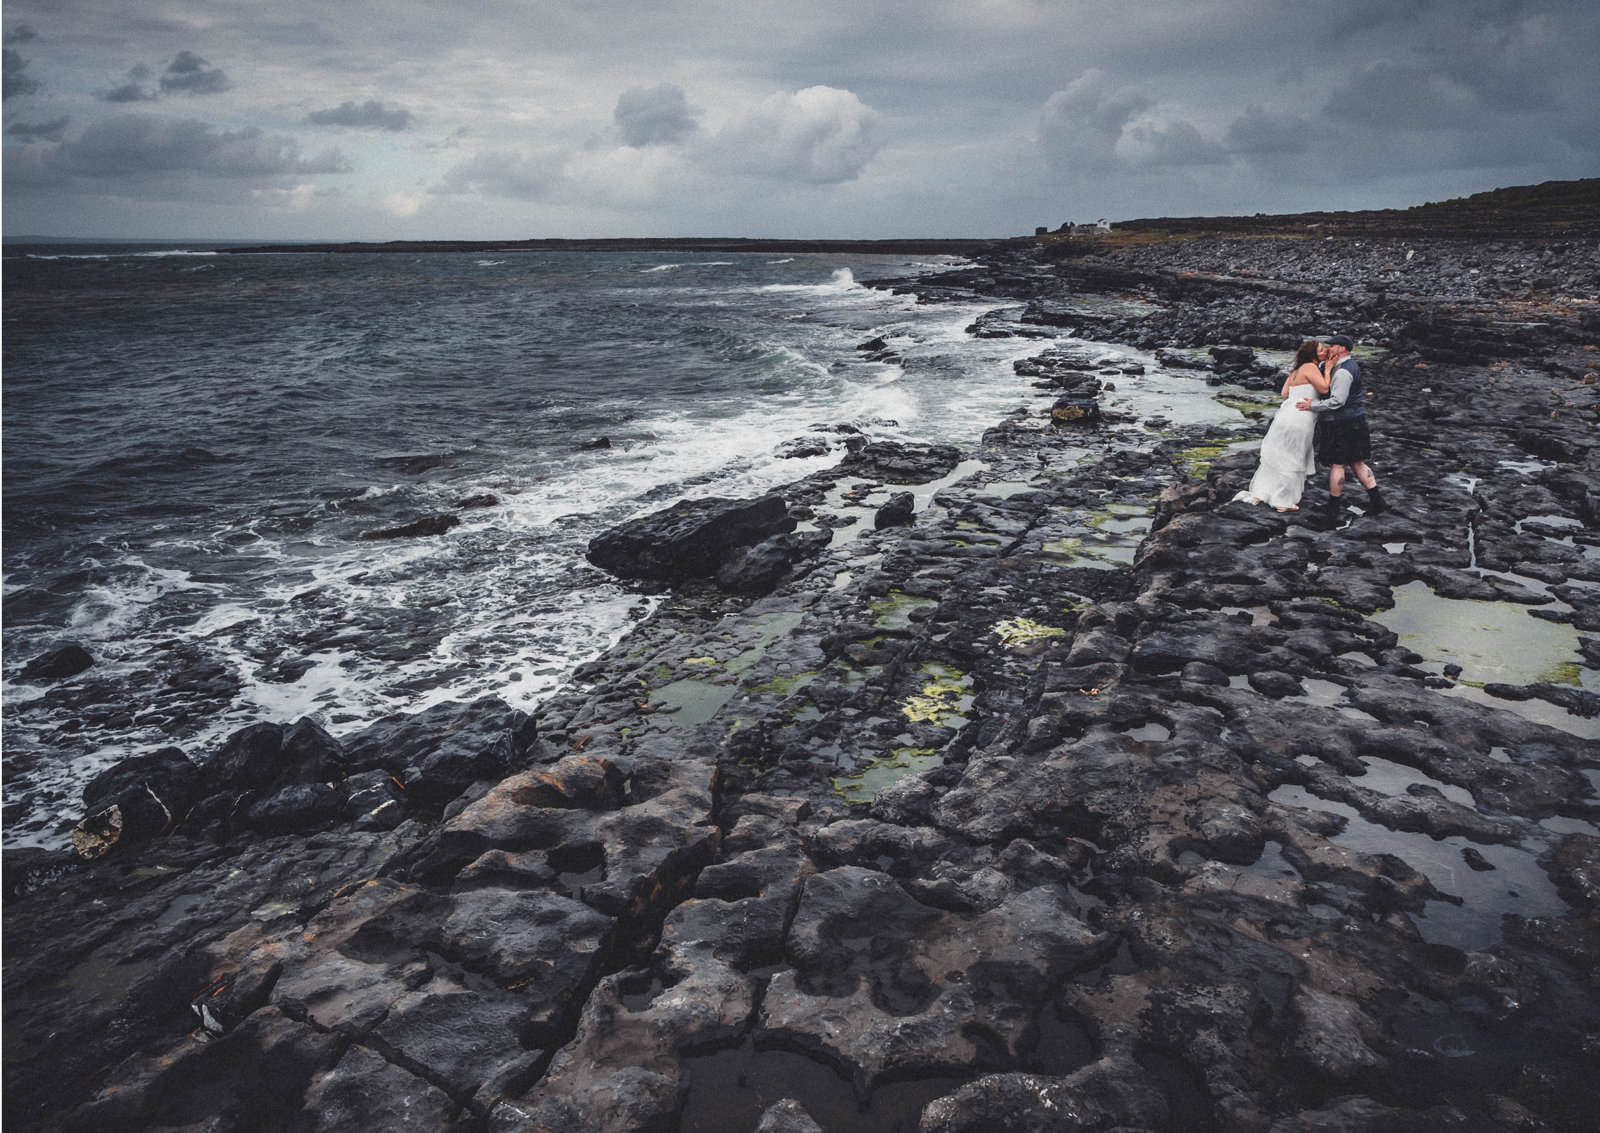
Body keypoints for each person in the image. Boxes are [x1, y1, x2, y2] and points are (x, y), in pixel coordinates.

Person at [1232, 340, 1331, 511]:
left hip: (1285, 415)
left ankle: (1264, 492)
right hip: (1301, 418)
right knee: (1294, 456)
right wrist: (1328, 369)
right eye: (1321, 350)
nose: (1325, 351)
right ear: (1312, 354)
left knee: (1280, 455)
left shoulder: (1296, 370)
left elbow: (1285, 393)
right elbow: (1323, 388)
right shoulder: (1310, 366)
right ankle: (1282, 500)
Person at [1296, 334, 1385, 517]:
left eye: (1332, 345)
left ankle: (1334, 506)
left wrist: (1312, 406)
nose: (1328, 348)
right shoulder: (1344, 367)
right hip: (1355, 420)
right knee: (1358, 462)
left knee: (1338, 465)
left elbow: (1337, 401)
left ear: (1342, 349)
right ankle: (1377, 502)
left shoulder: (1343, 372)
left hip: (1340, 423)